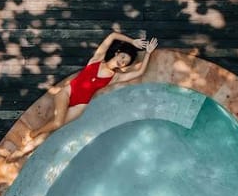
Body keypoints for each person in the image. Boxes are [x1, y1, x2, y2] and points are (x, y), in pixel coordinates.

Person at [14, 31, 158, 154]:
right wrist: (132, 41)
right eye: (123, 57)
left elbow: (139, 72)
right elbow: (113, 35)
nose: (122, 62)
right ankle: (33, 133)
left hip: (80, 105)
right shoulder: (97, 59)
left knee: (54, 126)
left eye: (125, 62)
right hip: (68, 92)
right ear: (117, 53)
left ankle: (27, 146)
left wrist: (148, 53)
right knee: (57, 123)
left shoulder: (115, 77)